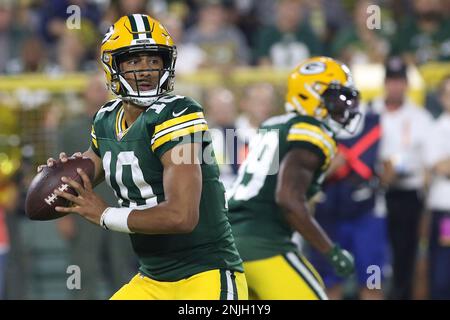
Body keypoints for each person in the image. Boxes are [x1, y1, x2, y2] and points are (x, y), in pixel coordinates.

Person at [38, 14, 247, 300]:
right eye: (134, 61)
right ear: (113, 66)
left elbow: (182, 216)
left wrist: (105, 214)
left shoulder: (178, 114)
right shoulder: (106, 119)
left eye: (153, 60)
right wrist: (57, 180)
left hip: (204, 276)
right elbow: (82, 179)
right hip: (152, 278)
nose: (146, 70)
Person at [227, 56, 357, 300]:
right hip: (263, 243)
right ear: (310, 96)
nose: (343, 105)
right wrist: (331, 251)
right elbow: (288, 199)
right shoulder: (311, 132)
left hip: (227, 243)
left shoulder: (274, 124)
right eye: (335, 97)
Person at [377, 56, 433, 300]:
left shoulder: (421, 117)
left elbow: (427, 162)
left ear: (407, 84)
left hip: (407, 194)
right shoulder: (370, 111)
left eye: (400, 81)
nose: (395, 86)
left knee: (405, 255)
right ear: (385, 83)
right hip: (375, 192)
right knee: (374, 255)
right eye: (392, 80)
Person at [424, 76, 450, 299]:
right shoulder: (436, 128)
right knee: (442, 273)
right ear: (442, 98)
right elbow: (440, 167)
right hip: (446, 213)